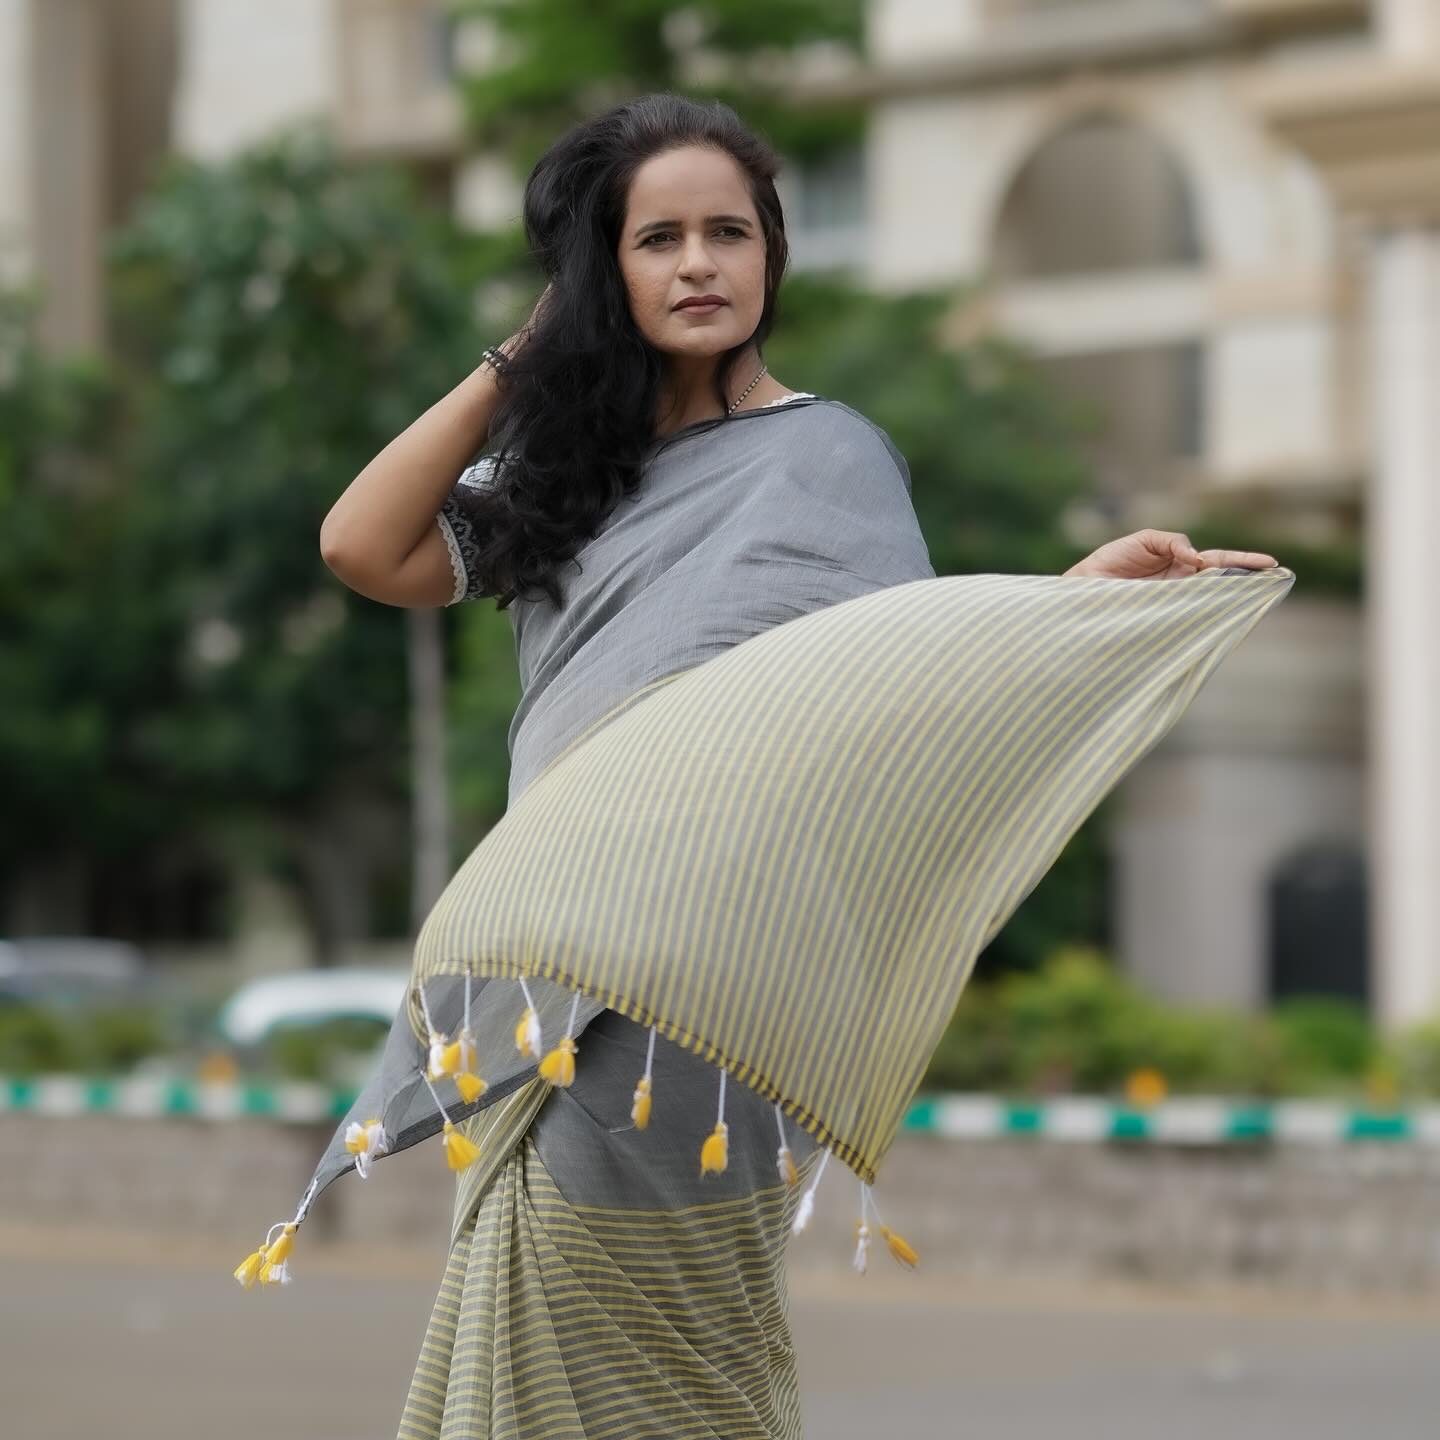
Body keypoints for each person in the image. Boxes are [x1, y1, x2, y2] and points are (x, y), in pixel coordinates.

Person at [314, 92, 1280, 1440]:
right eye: (655, 240)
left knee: (670, 1359)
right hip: (556, 968)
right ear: (609, 271)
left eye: (730, 231)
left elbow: (897, 699)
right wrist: (530, 354)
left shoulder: (830, 459)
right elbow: (361, 546)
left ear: (774, 255)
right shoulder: (569, 477)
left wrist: (1071, 598)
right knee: (555, 1346)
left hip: (722, 980)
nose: (699, 263)